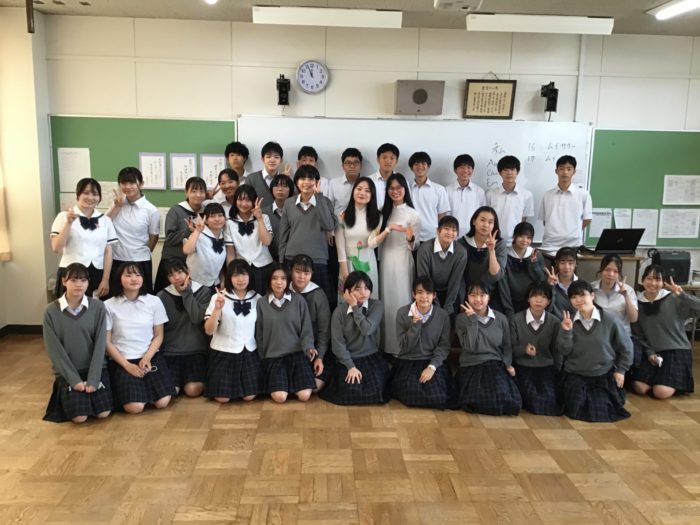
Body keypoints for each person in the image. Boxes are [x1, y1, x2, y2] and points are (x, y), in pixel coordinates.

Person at [42, 262, 113, 424]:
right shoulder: (50, 311)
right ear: (64, 281)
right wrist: (74, 380)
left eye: (83, 280)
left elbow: (100, 345)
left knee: (103, 413)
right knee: (79, 417)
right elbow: (55, 351)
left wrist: (94, 379)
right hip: (69, 371)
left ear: (88, 283)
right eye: (73, 280)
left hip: (95, 369)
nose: (79, 284)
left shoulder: (98, 307)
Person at [557, 280, 633, 422]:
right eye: (574, 297)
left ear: (592, 296)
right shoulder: (569, 320)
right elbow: (564, 351)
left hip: (602, 373)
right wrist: (566, 332)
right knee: (575, 407)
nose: (578, 300)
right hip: (576, 373)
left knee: (601, 408)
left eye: (582, 295)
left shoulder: (610, 319)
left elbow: (626, 347)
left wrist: (621, 370)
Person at [105, 262, 175, 414]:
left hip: (149, 356)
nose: (134, 279)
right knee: (134, 407)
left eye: (138, 275)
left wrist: (147, 357)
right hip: (122, 359)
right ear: (119, 279)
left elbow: (159, 335)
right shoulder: (108, 305)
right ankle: (139, 394)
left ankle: (144, 392)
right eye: (128, 275)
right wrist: (127, 365)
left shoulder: (154, 301)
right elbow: (107, 342)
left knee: (163, 402)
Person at [368, 173, 421, 356]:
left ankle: (403, 348)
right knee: (387, 303)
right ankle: (387, 347)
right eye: (391, 188)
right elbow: (374, 239)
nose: (395, 191)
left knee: (402, 301)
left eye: (399, 187)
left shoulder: (413, 214)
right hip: (385, 261)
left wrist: (410, 238)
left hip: (403, 261)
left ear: (405, 189)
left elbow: (415, 245)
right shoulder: (382, 212)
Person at [320, 271, 389, 405]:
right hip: (348, 358)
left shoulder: (376, 306)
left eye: (366, 288)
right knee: (349, 391)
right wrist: (350, 366)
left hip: (370, 357)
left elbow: (367, 330)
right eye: (357, 289)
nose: (363, 292)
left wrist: (355, 307)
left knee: (375, 391)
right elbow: (338, 344)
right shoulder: (339, 312)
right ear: (347, 292)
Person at [632, 265, 700, 399]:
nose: (653, 283)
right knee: (639, 387)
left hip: (676, 350)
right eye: (649, 278)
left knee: (660, 392)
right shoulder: (637, 302)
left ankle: (667, 383)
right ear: (642, 280)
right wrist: (650, 352)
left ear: (663, 283)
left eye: (657, 279)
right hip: (652, 352)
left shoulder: (674, 299)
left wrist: (682, 295)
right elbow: (638, 334)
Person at [455, 281, 521, 415]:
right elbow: (470, 347)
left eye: (482, 295)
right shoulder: (461, 319)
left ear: (489, 297)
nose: (478, 299)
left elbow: (507, 346)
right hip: (471, 365)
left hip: (494, 364)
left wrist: (507, 364)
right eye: (473, 295)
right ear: (467, 297)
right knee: (476, 400)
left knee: (505, 398)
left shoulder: (501, 318)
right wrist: (473, 320)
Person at [256, 263, 319, 403]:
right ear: (269, 281)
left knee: (304, 396)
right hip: (274, 357)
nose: (279, 282)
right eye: (275, 278)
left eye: (283, 278)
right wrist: (262, 356)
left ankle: (291, 385)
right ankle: (285, 386)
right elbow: (259, 333)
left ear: (288, 281)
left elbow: (306, 329)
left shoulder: (299, 301)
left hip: (297, 355)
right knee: (280, 398)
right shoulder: (261, 303)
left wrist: (309, 347)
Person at [203, 259, 263, 403]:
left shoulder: (257, 298)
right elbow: (209, 331)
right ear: (229, 277)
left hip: (249, 352)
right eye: (235, 275)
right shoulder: (218, 297)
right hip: (224, 352)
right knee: (222, 398)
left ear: (250, 276)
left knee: (249, 397)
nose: (240, 279)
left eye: (244, 274)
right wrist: (217, 309)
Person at [278, 164, 337, 306]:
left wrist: (319, 197)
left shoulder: (324, 201)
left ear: (317, 182)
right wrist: (281, 260)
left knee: (319, 303)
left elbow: (329, 225)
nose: (306, 182)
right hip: (292, 258)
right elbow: (283, 234)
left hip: (317, 259)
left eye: (311, 179)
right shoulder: (289, 203)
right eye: (302, 178)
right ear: (296, 182)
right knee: (291, 303)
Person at [391, 276, 452, 408]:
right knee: (411, 394)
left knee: (438, 396)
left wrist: (432, 367)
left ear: (434, 295)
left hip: (431, 361)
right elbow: (404, 347)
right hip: (408, 361)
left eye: (428, 293)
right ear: (413, 294)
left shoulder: (443, 316)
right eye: (420, 292)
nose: (424, 297)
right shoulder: (402, 313)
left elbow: (444, 346)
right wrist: (415, 326)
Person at [50, 178, 117, 298]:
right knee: (70, 308)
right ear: (78, 195)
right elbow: (56, 248)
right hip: (71, 273)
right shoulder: (63, 216)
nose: (90, 197)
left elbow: (108, 251)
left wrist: (105, 279)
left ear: (99, 197)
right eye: (86, 193)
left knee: (96, 308)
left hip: (98, 273)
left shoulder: (105, 220)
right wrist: (69, 223)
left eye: (95, 194)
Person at [157, 259, 212, 398]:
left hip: (196, 351)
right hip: (171, 352)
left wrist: (187, 293)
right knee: (171, 391)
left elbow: (196, 318)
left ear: (188, 271)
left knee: (192, 390)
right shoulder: (161, 296)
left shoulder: (204, 291)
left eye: (180, 272)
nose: (176, 277)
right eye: (171, 275)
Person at [509, 283, 562, 415]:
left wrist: (557, 371)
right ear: (528, 299)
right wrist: (524, 350)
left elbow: (557, 351)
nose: (539, 300)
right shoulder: (515, 320)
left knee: (550, 399)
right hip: (523, 367)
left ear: (548, 301)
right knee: (532, 398)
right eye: (535, 296)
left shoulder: (555, 322)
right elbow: (509, 349)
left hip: (545, 368)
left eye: (543, 297)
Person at [106, 167, 160, 295]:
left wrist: (141, 252)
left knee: (141, 298)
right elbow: (103, 224)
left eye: (132, 183)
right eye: (124, 183)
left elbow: (153, 237)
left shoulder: (151, 210)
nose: (128, 187)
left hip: (140, 261)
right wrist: (117, 206)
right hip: (117, 259)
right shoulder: (116, 205)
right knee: (117, 298)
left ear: (141, 184)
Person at [154, 176, 207, 292]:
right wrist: (189, 231)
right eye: (194, 191)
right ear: (186, 193)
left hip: (194, 265)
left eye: (201, 191)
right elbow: (170, 238)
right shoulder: (176, 210)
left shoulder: (206, 212)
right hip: (173, 263)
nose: (198, 195)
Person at [457, 206, 510, 314]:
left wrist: (491, 250)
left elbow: (495, 275)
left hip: (491, 296)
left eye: (490, 222)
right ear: (474, 221)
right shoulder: (462, 243)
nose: (486, 225)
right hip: (466, 294)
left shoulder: (499, 244)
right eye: (482, 220)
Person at [289, 254, 331, 391]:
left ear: (312, 274)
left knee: (314, 387)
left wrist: (320, 357)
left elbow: (324, 330)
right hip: (289, 349)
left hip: (313, 348)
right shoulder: (283, 291)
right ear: (290, 271)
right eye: (298, 271)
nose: (302, 277)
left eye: (306, 273)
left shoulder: (318, 294)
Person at [591, 255, 639, 371]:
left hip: (621, 337)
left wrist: (626, 296)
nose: (611, 274)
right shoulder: (591, 288)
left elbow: (633, 319)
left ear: (619, 273)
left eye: (615, 271)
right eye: (607, 270)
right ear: (601, 270)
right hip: (599, 337)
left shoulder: (628, 290)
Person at [335, 176, 381, 297]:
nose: (362, 193)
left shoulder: (378, 217)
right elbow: (340, 247)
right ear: (353, 191)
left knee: (368, 299)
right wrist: (345, 274)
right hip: (347, 266)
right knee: (348, 300)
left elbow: (374, 243)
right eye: (359, 189)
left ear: (372, 195)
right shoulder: (342, 216)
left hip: (368, 265)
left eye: (367, 190)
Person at [224, 185, 273, 295]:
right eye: (240, 200)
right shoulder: (229, 223)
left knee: (263, 300)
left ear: (254, 201)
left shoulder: (264, 218)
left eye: (248, 200)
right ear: (235, 201)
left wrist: (259, 219)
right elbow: (230, 253)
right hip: (241, 270)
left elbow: (267, 241)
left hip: (264, 267)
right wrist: (230, 274)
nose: (244, 204)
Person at [538, 155, 592, 254]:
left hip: (573, 245)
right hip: (550, 245)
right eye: (561, 169)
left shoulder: (583, 194)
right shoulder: (547, 195)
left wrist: (572, 232)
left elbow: (587, 219)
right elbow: (545, 221)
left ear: (574, 172)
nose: (565, 172)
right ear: (556, 171)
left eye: (569, 169)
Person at [416, 215, 467, 315]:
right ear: (438, 231)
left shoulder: (461, 252)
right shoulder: (424, 249)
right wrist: (436, 305)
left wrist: (448, 306)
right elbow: (424, 279)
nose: (450, 233)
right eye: (446, 229)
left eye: (454, 230)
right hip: (429, 290)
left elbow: (455, 281)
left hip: (451, 291)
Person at [486, 155, 534, 245]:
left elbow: (524, 220)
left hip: (516, 243)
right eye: (505, 170)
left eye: (512, 169)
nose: (509, 173)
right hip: (494, 241)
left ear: (517, 172)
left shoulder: (526, 195)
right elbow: (487, 219)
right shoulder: (490, 194)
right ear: (500, 172)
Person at [501, 222, 547, 314]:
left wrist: (534, 263)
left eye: (529, 238)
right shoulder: (505, 255)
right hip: (510, 303)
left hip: (531, 304)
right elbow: (503, 286)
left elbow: (541, 280)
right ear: (514, 236)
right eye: (521, 236)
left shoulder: (536, 254)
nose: (525, 240)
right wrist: (509, 310)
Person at [408, 151, 450, 244]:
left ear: (429, 166)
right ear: (411, 168)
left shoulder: (439, 189)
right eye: (416, 164)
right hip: (411, 236)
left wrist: (440, 236)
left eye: (423, 163)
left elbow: (442, 216)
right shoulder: (407, 189)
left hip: (432, 236)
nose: (420, 166)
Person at [182, 202, 227, 290]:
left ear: (225, 218)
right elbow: (186, 250)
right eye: (212, 216)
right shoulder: (199, 235)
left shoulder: (224, 236)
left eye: (220, 215)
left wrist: (223, 280)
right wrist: (197, 231)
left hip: (214, 284)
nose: (217, 219)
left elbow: (219, 263)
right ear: (205, 220)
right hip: (195, 284)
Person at [446, 154, 485, 238]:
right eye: (462, 167)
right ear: (455, 170)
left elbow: (482, 216)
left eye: (468, 167)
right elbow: (445, 216)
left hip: (473, 236)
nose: (465, 170)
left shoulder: (479, 191)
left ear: (472, 170)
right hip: (452, 236)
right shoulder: (446, 191)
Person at [245, 141, 291, 207]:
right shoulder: (251, 179)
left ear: (281, 160)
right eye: (268, 157)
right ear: (262, 159)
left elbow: (293, 200)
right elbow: (246, 202)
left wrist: (287, 180)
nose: (272, 160)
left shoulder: (285, 179)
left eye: (276, 157)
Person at [262, 174, 295, 263]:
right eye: (277, 186)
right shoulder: (263, 212)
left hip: (291, 259)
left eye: (285, 186)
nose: (280, 189)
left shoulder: (296, 212)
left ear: (290, 190)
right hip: (269, 259)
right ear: (271, 189)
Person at [545, 246, 579, 318]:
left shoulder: (582, 285)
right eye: (562, 263)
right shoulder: (548, 284)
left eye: (570, 263)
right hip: (554, 323)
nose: (566, 267)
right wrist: (550, 287)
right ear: (556, 263)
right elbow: (547, 310)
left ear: (576, 264)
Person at [328, 148, 363, 215]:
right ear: (343, 166)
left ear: (361, 165)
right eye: (348, 163)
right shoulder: (333, 184)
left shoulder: (367, 184)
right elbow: (329, 209)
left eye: (356, 162)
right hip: (338, 221)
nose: (352, 166)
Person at [370, 143, 399, 209]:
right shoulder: (369, 181)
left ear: (396, 161)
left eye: (392, 158)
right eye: (384, 157)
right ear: (378, 160)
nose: (388, 161)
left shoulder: (402, 181)